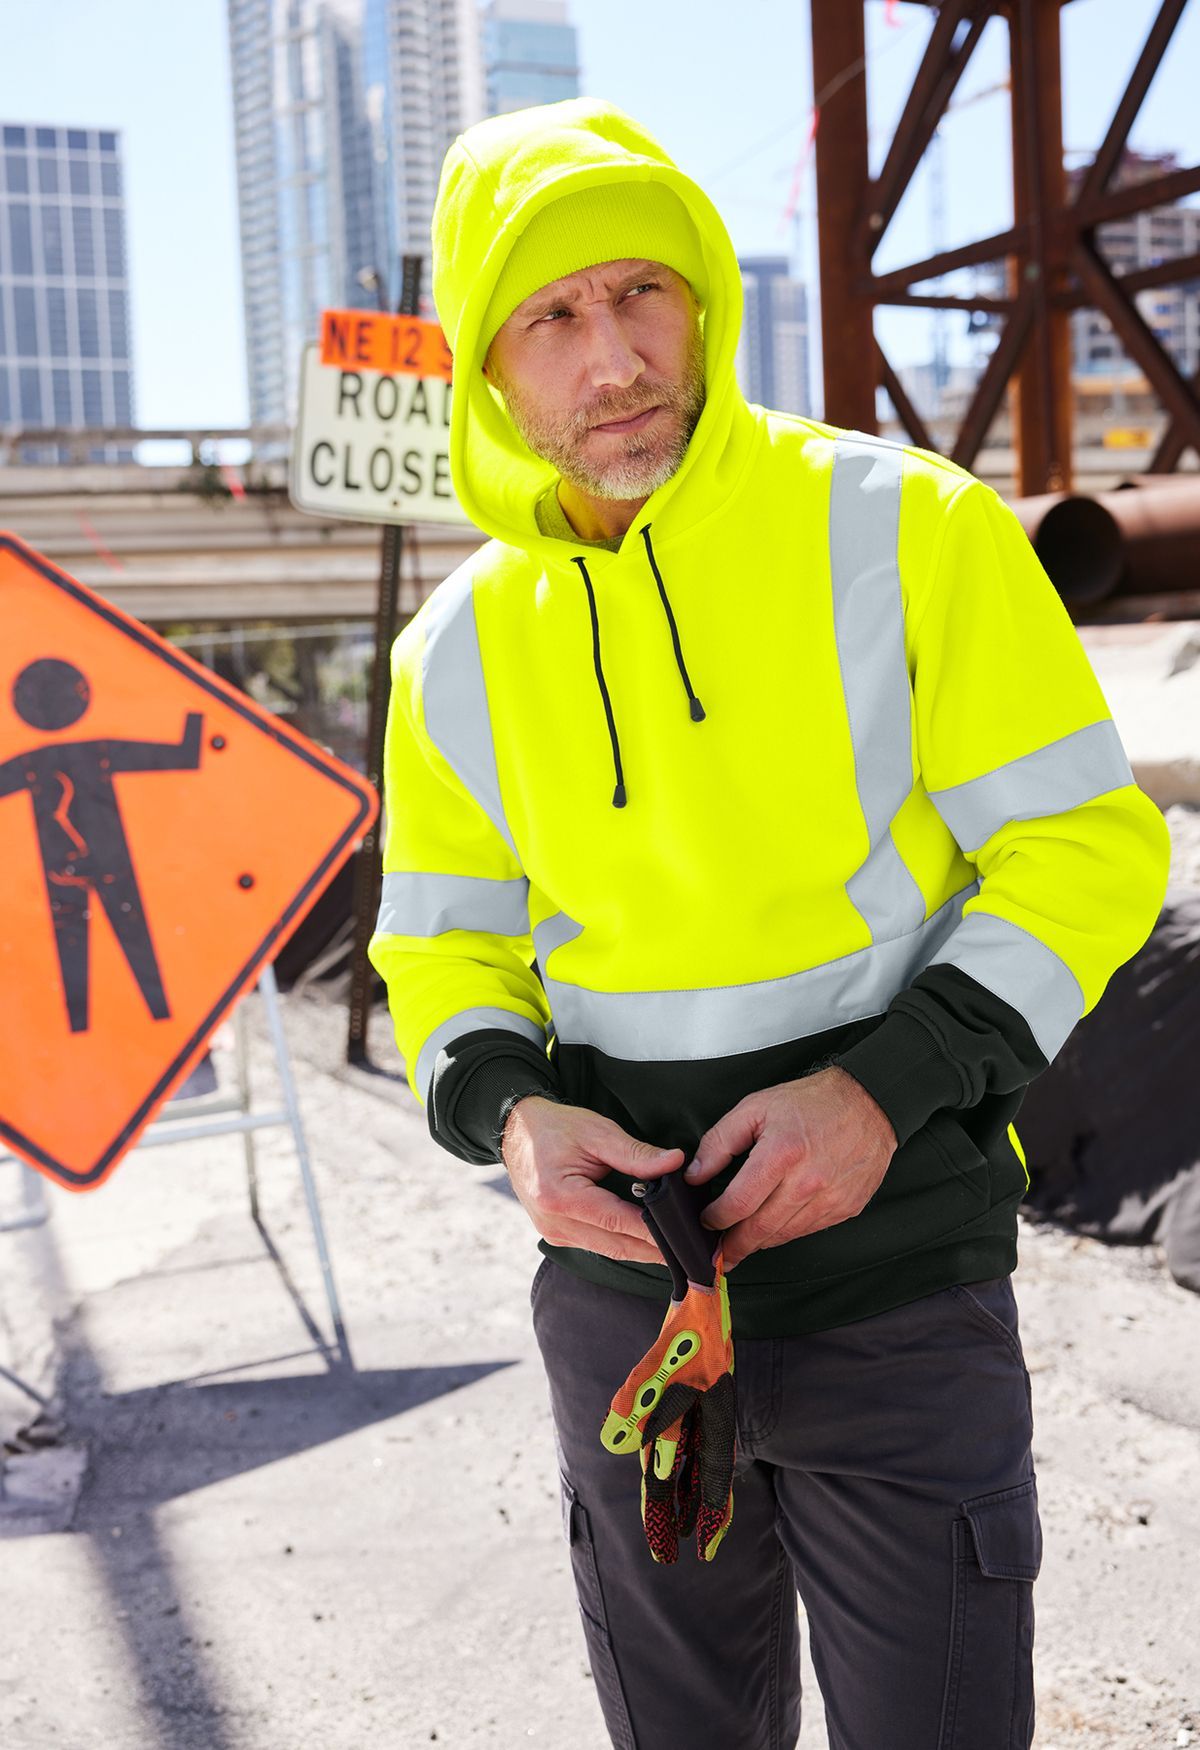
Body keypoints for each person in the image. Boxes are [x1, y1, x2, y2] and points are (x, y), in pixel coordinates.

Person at [368, 96, 1171, 1750]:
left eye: (642, 292)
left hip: (898, 1290)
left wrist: (880, 1091)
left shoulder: (911, 528)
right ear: (486, 370)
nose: (615, 359)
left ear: (706, 299)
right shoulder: (451, 651)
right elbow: (444, 949)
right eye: (552, 316)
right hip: (626, 1317)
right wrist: (512, 1117)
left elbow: (1086, 849)